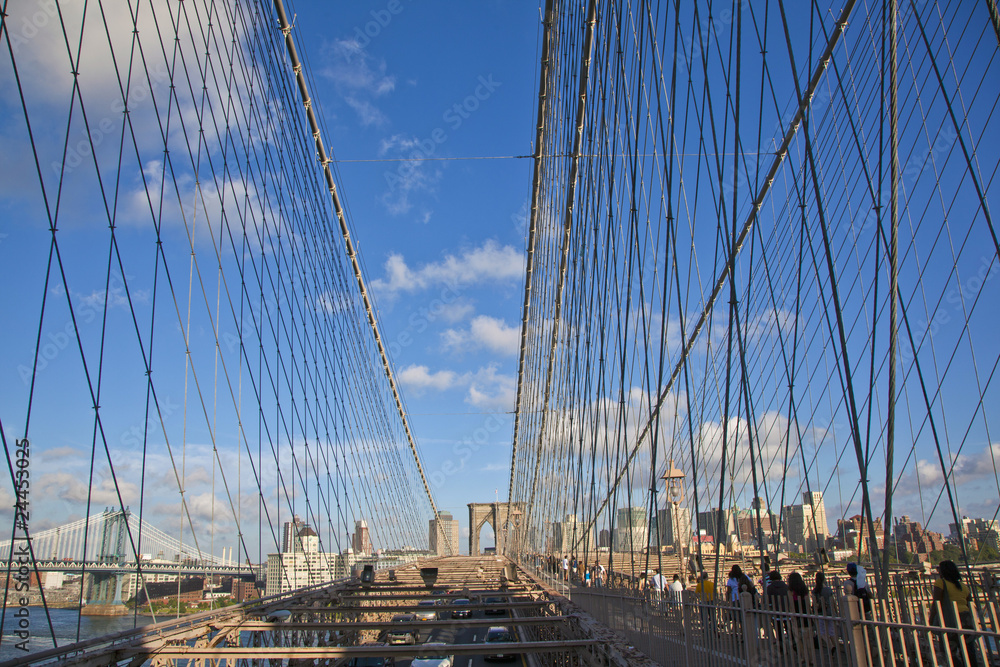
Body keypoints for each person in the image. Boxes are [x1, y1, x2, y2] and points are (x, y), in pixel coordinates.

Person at [930, 560, 980, 667]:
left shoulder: (940, 583)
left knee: (948, 651)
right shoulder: (963, 586)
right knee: (968, 650)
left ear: (943, 571)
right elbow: (969, 603)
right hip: (966, 619)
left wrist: (931, 619)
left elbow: (936, 602)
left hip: (950, 619)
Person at [788, 571, 815, 664]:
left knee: (798, 639)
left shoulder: (791, 591)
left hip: (797, 616)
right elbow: (808, 604)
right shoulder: (805, 590)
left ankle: (804, 656)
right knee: (808, 640)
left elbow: (791, 605)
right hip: (806, 616)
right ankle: (811, 658)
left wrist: (793, 617)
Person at [812, 571, 837, 653]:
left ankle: (830, 645)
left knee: (822, 632)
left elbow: (814, 603)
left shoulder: (815, 591)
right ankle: (836, 647)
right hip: (829, 612)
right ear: (824, 579)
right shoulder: (828, 589)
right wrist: (835, 611)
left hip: (820, 613)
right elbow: (833, 601)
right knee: (831, 631)